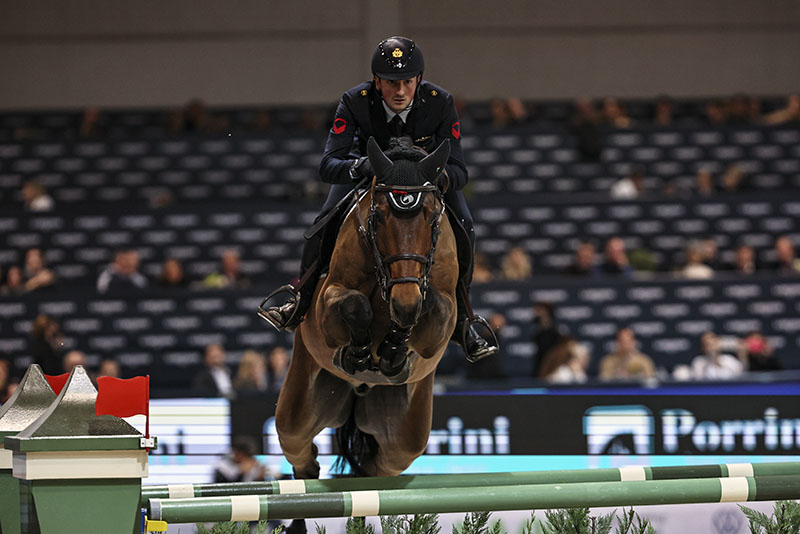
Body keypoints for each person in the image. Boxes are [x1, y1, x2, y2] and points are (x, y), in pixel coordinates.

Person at [261, 36, 497, 362]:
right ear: (377, 81)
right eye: (390, 83)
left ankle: (466, 319)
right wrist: (360, 165)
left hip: (421, 182)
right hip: (370, 175)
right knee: (324, 219)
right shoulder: (355, 101)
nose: (399, 91)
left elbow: (459, 170)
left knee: (466, 224)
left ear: (418, 80)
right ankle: (299, 301)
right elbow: (328, 166)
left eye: (407, 82)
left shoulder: (440, 101)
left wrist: (438, 178)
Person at [531, 302, 565, 378]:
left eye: (539, 310)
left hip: (553, 360)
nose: (536, 312)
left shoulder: (555, 328)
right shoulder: (535, 326)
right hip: (540, 361)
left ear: (545, 311)